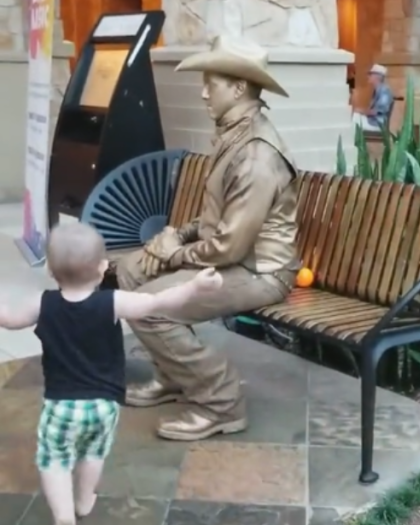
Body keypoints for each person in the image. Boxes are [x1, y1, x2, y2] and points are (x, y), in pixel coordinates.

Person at [115, 35, 301, 441]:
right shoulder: (233, 134)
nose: (202, 94)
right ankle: (172, 376)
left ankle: (221, 402)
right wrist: (173, 237)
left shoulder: (256, 154)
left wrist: (175, 252)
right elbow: (216, 219)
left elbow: (230, 248)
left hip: (259, 271)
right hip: (230, 259)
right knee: (131, 272)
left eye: (210, 84)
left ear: (238, 88)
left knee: (150, 308)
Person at [0, 222, 223, 525]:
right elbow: (156, 303)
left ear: (51, 271)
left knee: (54, 460)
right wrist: (195, 287)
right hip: (105, 404)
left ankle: (64, 517)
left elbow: (9, 319)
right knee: (93, 453)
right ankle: (83, 500)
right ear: (103, 267)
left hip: (61, 405)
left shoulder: (43, 303)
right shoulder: (112, 302)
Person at [353, 64, 394, 132]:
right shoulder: (377, 90)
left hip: (377, 124)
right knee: (353, 117)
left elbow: (377, 111)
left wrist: (361, 111)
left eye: (370, 74)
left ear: (377, 77)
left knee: (353, 121)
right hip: (372, 121)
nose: (368, 77)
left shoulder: (384, 92)